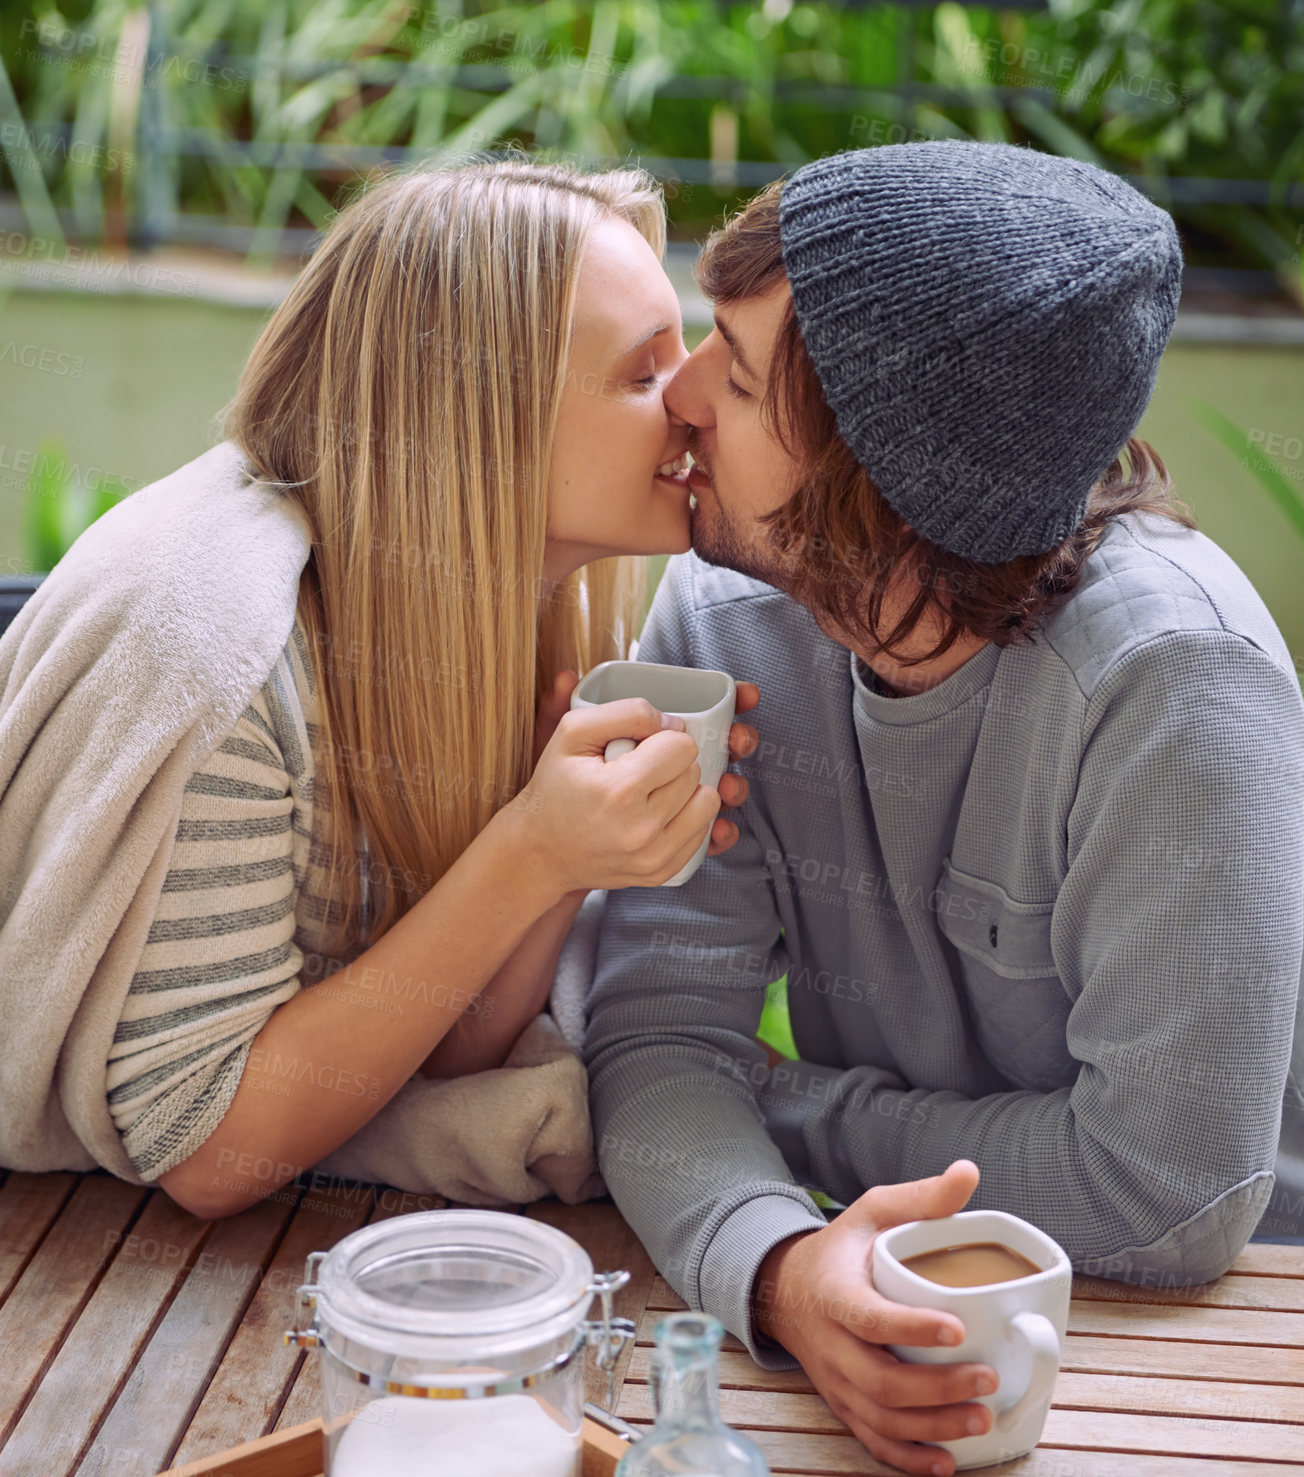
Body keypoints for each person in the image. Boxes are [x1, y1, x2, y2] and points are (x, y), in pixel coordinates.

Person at [582, 140, 1304, 1477]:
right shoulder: (719, 612)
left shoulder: (1172, 675)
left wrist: (798, 1110)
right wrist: (778, 1271)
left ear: (885, 483)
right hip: (910, 1299)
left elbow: (1167, 1195)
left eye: (745, 378)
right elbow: (655, 1037)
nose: (682, 395)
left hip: (1249, 1348)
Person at [0, 158, 761, 1219]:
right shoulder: (226, 649)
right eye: (641, 375)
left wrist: (564, 857)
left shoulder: (469, 604)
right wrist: (529, 847)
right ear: (471, 414)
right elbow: (201, 1143)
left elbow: (432, 1047)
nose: (689, 398)